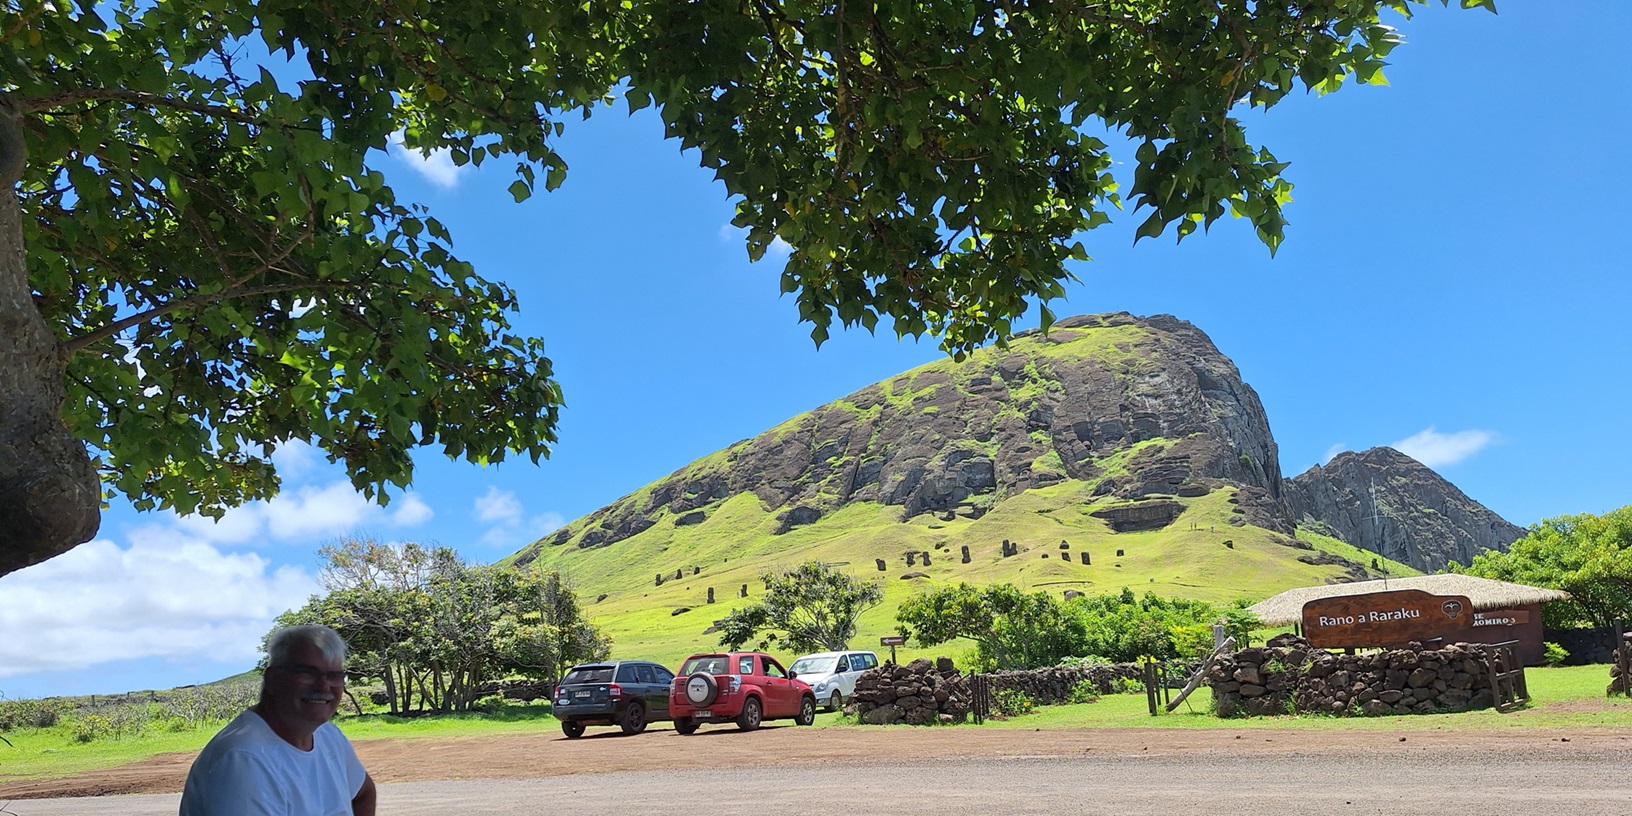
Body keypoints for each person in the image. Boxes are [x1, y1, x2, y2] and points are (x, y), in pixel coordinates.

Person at [179, 624, 377, 815]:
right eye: (307, 673)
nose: (324, 686)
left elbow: (363, 794)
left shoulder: (329, 737)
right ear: (273, 679)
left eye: (334, 676)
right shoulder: (244, 760)